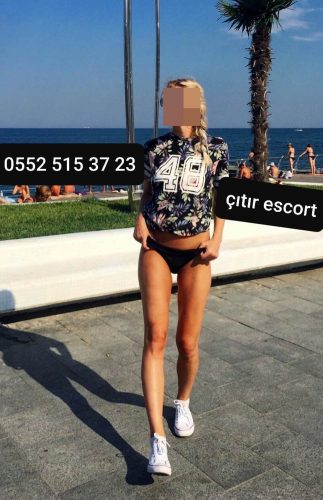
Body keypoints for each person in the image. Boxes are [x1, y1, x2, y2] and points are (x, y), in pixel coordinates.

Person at [134, 77, 229, 476]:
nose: (173, 108)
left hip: (196, 254)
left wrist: (217, 239)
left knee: (187, 342)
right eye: (168, 101)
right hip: (155, 248)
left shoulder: (216, 148)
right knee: (155, 337)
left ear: (196, 105)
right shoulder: (153, 148)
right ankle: (157, 439)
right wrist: (140, 219)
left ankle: (183, 401)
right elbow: (147, 192)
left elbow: (223, 198)